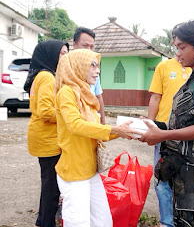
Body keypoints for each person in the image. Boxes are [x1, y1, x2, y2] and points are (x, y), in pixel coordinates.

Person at [140, 20, 194, 227]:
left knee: (193, 222)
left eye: (182, 47)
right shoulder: (193, 79)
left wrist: (163, 136)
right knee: (182, 220)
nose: (177, 53)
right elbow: (184, 122)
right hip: (182, 166)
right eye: (177, 47)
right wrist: (155, 127)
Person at [54, 49, 141, 226]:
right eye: (92, 65)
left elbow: (96, 131)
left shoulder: (86, 95)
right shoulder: (67, 93)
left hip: (90, 170)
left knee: (102, 221)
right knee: (79, 222)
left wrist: (124, 130)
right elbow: (76, 125)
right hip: (74, 172)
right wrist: (114, 129)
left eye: (98, 66)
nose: (97, 70)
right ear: (77, 67)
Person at [24, 39, 69, 227]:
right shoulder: (47, 77)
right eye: (62, 53)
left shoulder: (45, 75)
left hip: (44, 137)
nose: (66, 57)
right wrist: (69, 115)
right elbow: (45, 111)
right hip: (47, 140)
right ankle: (45, 222)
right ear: (51, 54)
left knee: (49, 184)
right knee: (51, 186)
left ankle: (42, 220)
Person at [148, 55, 192, 227]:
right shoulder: (164, 66)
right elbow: (155, 98)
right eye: (177, 42)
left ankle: (184, 221)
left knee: (186, 180)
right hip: (163, 131)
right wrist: (150, 126)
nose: (180, 48)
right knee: (162, 178)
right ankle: (166, 222)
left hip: (189, 134)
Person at [73, 27, 106, 124]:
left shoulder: (93, 71)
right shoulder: (67, 71)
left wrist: (103, 122)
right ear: (74, 45)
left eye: (92, 47)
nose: (89, 50)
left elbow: (98, 96)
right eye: (85, 46)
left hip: (92, 123)